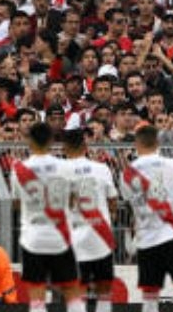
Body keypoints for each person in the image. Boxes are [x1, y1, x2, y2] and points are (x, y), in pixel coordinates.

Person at [121, 124, 173, 312]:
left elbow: (130, 202)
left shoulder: (128, 173)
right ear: (157, 142)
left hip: (147, 238)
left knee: (150, 294)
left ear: (137, 144)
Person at [10, 122, 85, 312]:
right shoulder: (66, 167)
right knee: (71, 291)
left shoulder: (18, 170)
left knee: (37, 295)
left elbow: (17, 204)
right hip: (60, 236)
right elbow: (74, 199)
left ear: (29, 141)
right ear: (52, 141)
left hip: (33, 238)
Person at [64, 128, 119, 312]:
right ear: (85, 145)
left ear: (64, 147)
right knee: (104, 289)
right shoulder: (102, 169)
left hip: (74, 236)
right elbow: (112, 200)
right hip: (100, 234)